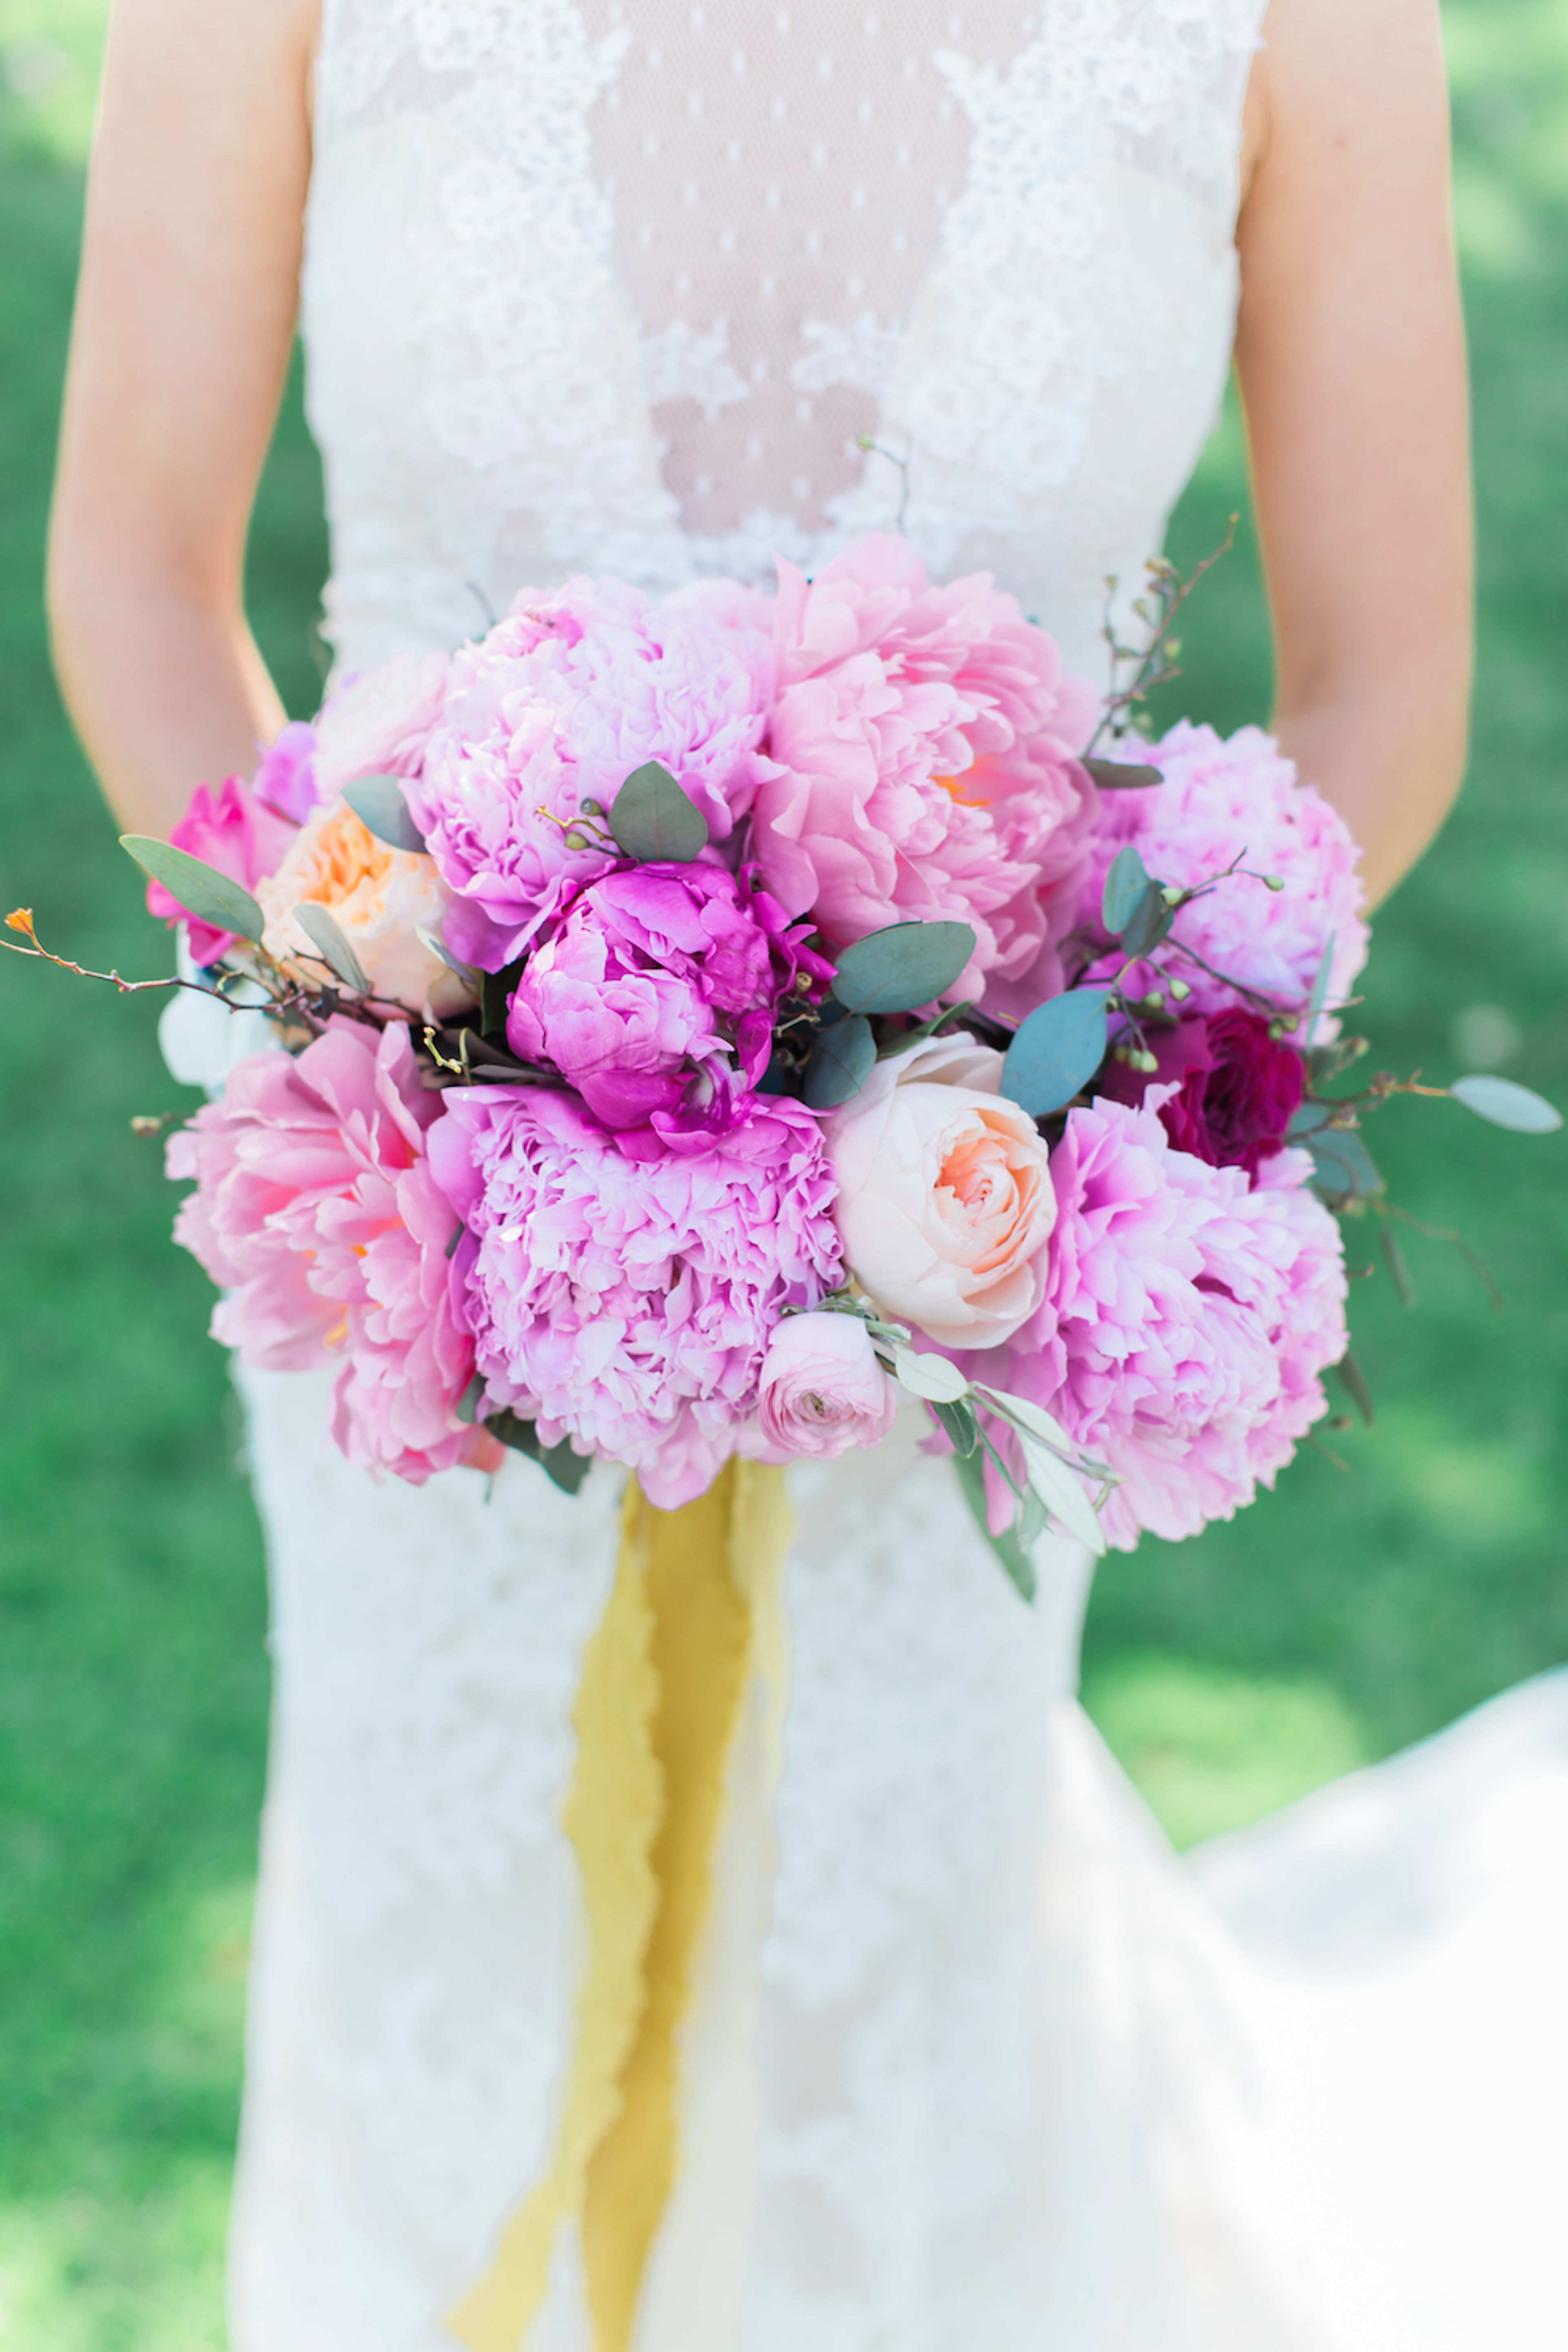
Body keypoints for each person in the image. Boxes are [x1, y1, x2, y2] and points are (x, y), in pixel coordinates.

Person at [47, 3, 1568, 2349]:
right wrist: (390, 1015)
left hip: (971, 1272)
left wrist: (1014, 1125)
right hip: (434, 1255)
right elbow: (141, 567)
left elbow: (1388, 689)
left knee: (896, 1941)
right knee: (440, 1951)